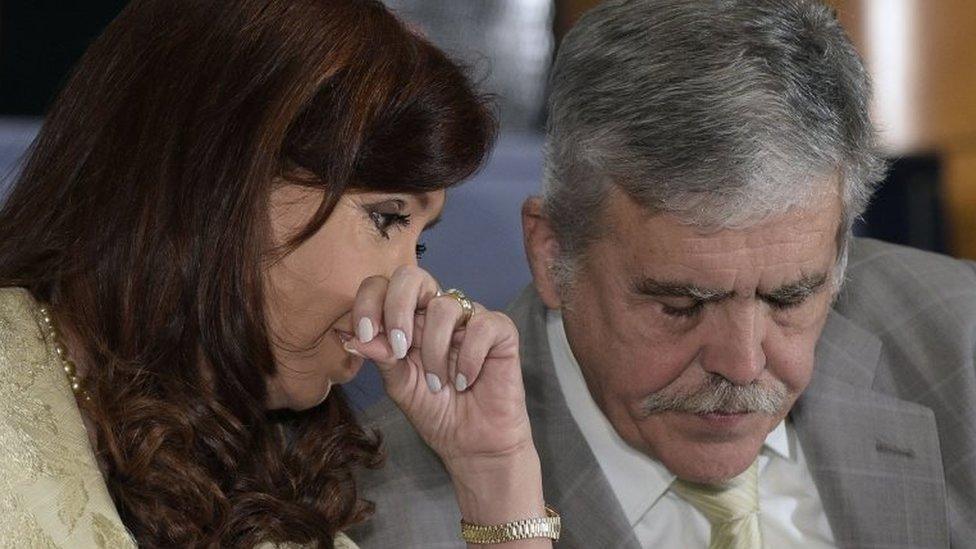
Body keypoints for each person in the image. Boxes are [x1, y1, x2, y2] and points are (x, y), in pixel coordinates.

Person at [353, 0, 976, 547]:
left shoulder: (959, 347)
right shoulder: (379, 512)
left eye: (789, 296)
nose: (741, 363)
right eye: (680, 305)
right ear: (551, 254)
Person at [0, 1, 559, 547]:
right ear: (220, 184)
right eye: (387, 218)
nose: (413, 286)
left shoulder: (277, 490)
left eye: (423, 242)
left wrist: (496, 475)